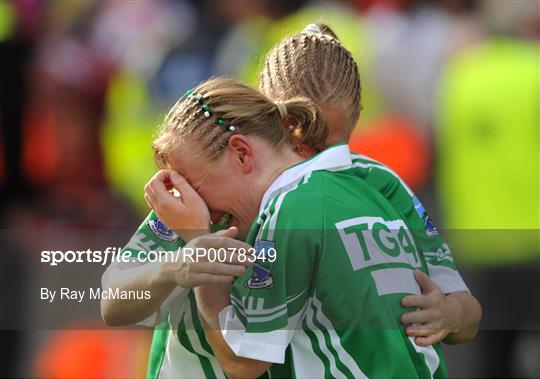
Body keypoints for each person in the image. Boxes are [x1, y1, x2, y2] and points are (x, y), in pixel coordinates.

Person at [102, 23, 481, 378]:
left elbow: (464, 311)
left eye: (332, 141)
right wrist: (180, 264)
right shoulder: (196, 196)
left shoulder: (361, 185)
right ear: (275, 118)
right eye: (302, 134)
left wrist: (451, 314)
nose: (316, 154)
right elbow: (113, 301)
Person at [150, 76, 448, 378]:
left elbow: (242, 362)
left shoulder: (288, 208)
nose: (200, 207)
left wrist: (198, 245)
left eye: (195, 185)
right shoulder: (371, 181)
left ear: (241, 152)